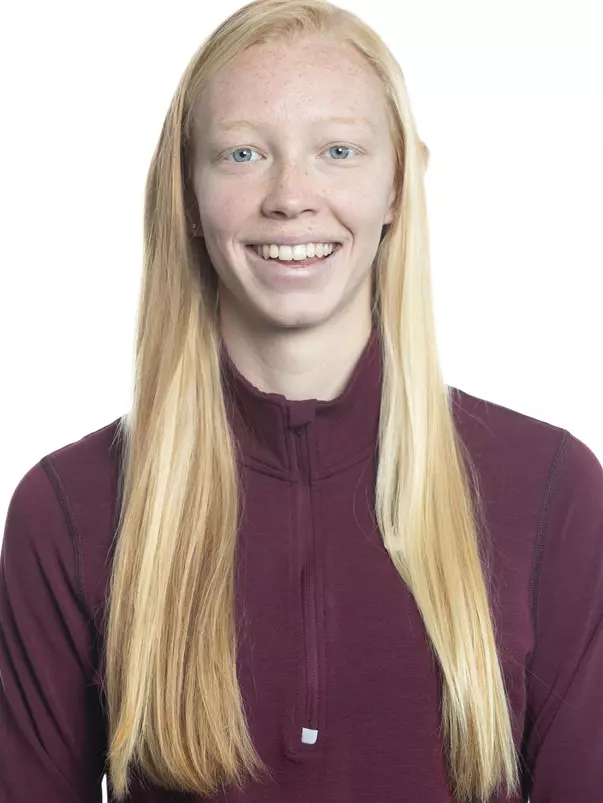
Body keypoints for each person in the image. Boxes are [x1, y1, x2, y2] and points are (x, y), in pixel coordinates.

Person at [1, 1, 602, 801]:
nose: (291, 195)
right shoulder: (68, 506)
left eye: (338, 149)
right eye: (243, 152)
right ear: (187, 192)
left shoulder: (550, 489)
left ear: (399, 184)